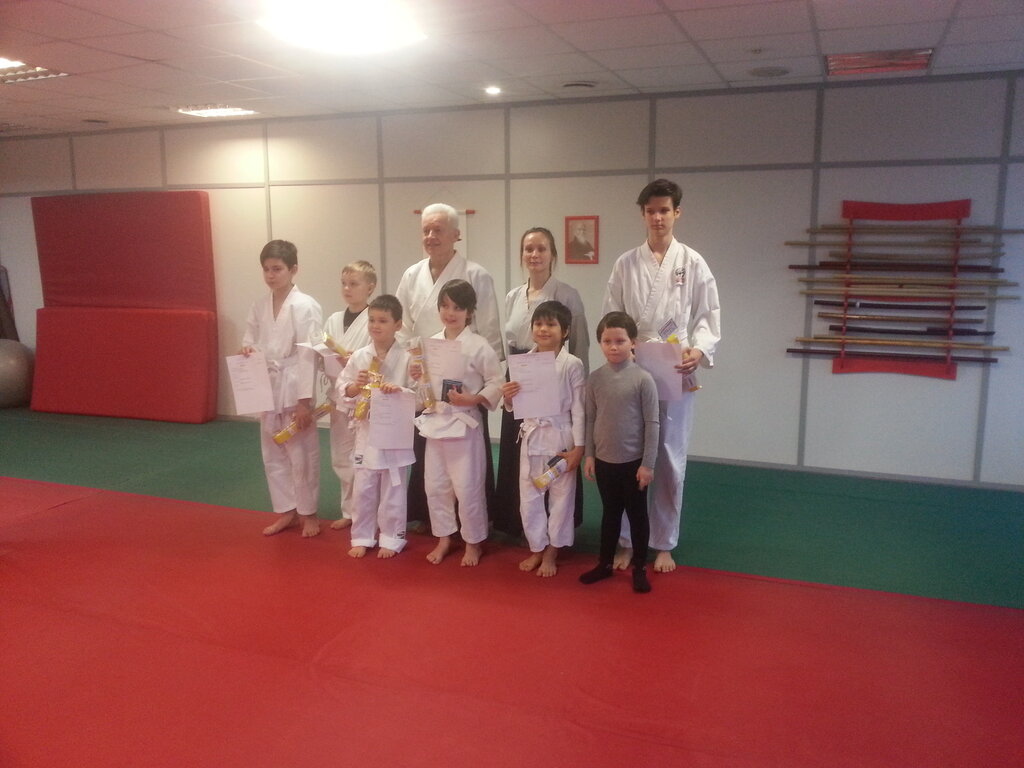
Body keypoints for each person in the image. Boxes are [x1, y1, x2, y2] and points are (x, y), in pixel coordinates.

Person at [602, 178, 721, 573]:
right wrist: (622, 347)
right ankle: (626, 540)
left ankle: (664, 541)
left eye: (664, 210)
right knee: (628, 453)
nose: (657, 217)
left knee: (669, 454)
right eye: (651, 210)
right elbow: (612, 315)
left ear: (676, 213)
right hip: (634, 363)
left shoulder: (693, 262)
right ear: (643, 214)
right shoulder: (625, 263)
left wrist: (698, 350)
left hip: (675, 362)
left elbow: (708, 314)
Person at [394, 203, 503, 528]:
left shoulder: (476, 274)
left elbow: (490, 331)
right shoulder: (411, 275)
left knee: (469, 465)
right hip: (427, 378)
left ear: (456, 234)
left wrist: (481, 386)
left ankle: (474, 527)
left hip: (466, 382)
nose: (431, 236)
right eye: (426, 230)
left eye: (438, 230)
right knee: (430, 459)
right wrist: (416, 362)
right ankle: (433, 521)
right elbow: (403, 327)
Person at [493, 226, 588, 538]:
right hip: (522, 375)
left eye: (541, 249)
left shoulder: (568, 294)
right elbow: (508, 344)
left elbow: (580, 345)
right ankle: (520, 525)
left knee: (555, 451)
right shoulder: (512, 296)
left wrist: (578, 391)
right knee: (520, 454)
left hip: (557, 376)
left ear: (553, 254)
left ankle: (558, 532)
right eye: (528, 249)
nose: (534, 255)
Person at [411, 279, 503, 567]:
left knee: (467, 486)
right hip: (436, 421)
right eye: (445, 306)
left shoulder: (479, 346)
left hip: (464, 423)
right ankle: (444, 537)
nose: (450, 313)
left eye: (457, 307)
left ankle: (473, 541)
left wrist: (473, 398)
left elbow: (497, 381)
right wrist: (418, 378)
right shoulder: (430, 343)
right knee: (435, 485)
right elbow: (425, 388)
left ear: (469, 311)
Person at [240, 239, 323, 538]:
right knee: (272, 451)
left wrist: (304, 401)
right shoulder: (260, 305)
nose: (271, 275)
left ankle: (308, 513)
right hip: (268, 384)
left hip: (293, 384)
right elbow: (249, 339)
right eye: (266, 269)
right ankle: (287, 511)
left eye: (277, 269)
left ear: (293, 269)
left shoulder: (306, 305)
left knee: (301, 452)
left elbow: (309, 353)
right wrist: (247, 350)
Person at [499, 300, 584, 577]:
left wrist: (579, 448)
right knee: (529, 496)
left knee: (561, 498)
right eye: (538, 323)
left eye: (551, 324)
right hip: (532, 435)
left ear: (565, 331)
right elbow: (514, 407)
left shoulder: (572, 364)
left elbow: (579, 408)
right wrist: (508, 398)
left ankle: (552, 551)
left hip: (561, 436)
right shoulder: (523, 362)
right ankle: (537, 546)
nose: (543, 329)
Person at [579, 311, 660, 593]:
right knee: (610, 514)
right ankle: (604, 563)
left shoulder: (643, 379)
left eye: (620, 341)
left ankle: (639, 567)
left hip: (634, 463)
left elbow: (652, 423)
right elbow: (591, 418)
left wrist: (647, 463)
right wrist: (590, 455)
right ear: (600, 343)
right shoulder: (595, 379)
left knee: (637, 516)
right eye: (607, 341)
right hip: (604, 461)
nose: (613, 347)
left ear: (633, 342)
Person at [337, 294, 415, 559]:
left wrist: (399, 390)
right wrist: (355, 386)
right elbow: (342, 388)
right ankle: (362, 536)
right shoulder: (360, 356)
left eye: (383, 320)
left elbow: (420, 396)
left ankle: (392, 537)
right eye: (372, 320)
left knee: (394, 487)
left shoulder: (408, 358)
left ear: (398, 325)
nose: (375, 326)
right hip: (367, 430)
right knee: (364, 487)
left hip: (395, 431)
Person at [322, 260, 375, 531]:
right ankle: (349, 510)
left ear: (370, 287)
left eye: (354, 284)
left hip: (363, 399)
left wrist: (356, 360)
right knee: (342, 454)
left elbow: (381, 355)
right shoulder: (333, 319)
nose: (347, 289)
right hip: (338, 395)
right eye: (344, 283)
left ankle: (368, 512)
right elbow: (323, 352)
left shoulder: (374, 319)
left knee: (364, 456)